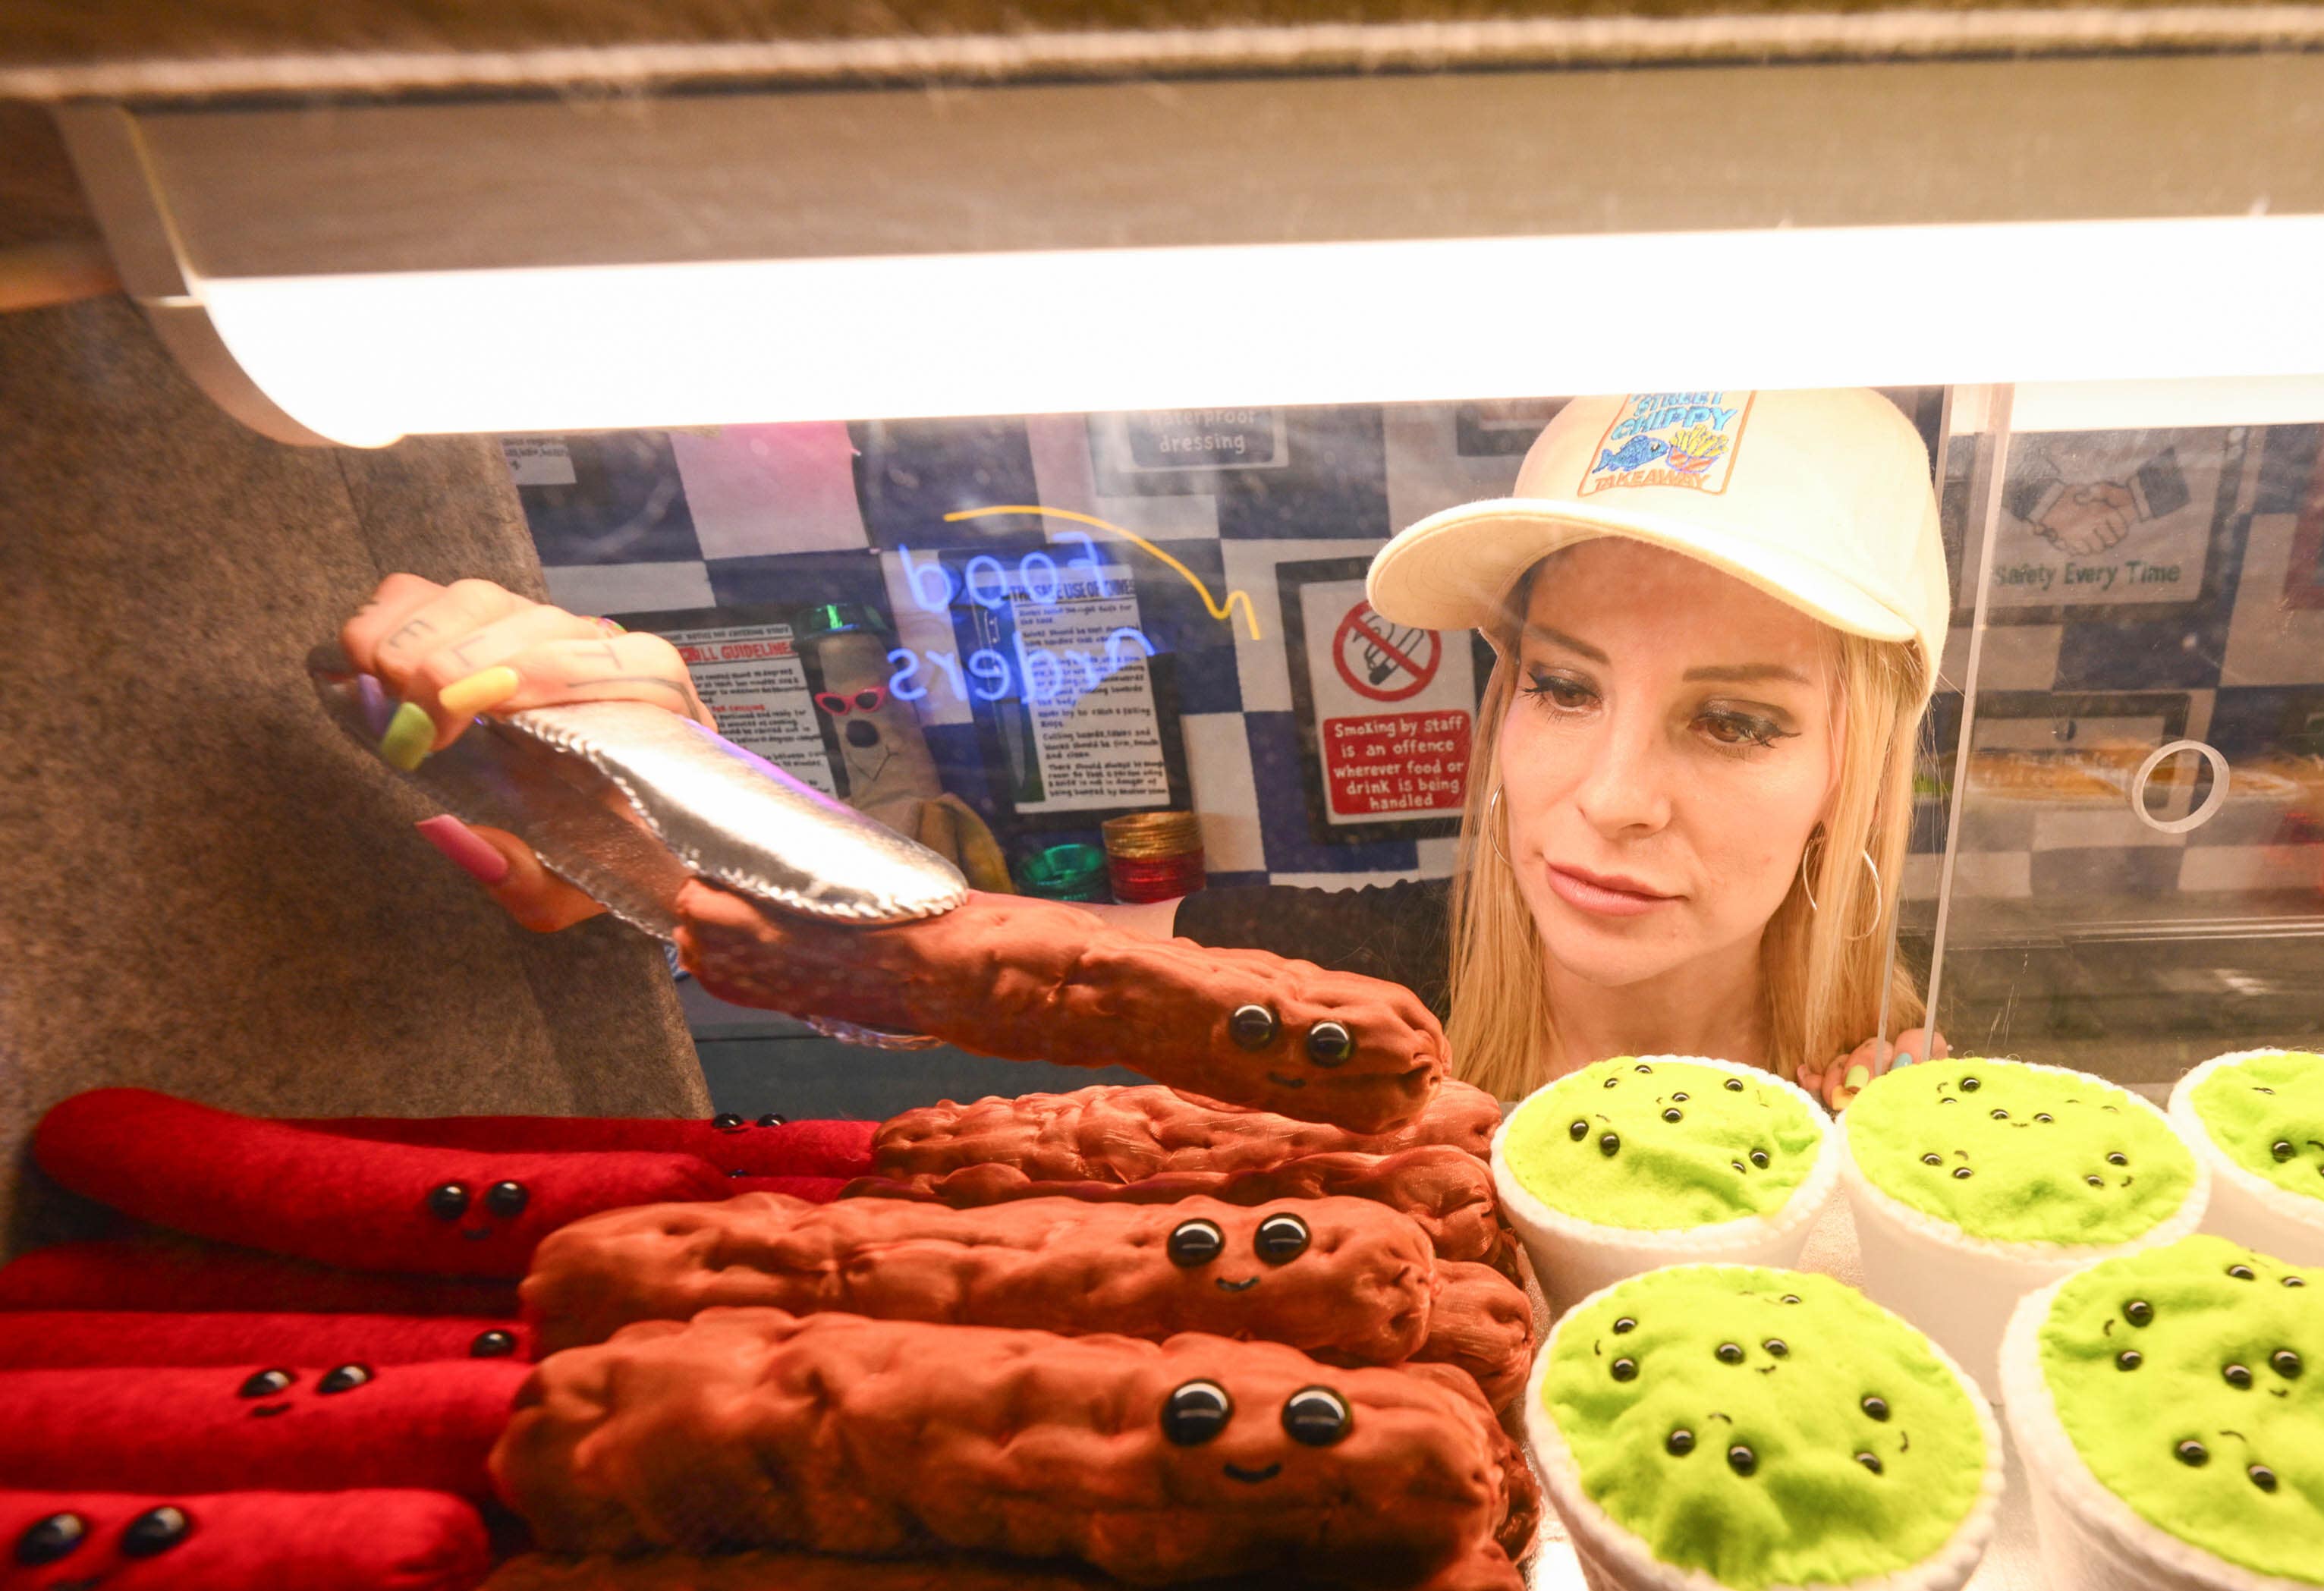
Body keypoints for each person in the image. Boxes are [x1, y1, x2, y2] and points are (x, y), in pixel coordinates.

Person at [345, 389, 1954, 1107]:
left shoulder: (1928, 1122)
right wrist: (645, 809)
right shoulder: (1356, 986)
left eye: (1732, 719)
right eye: (1558, 686)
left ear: (1853, 767)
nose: (1606, 798)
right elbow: (947, 961)